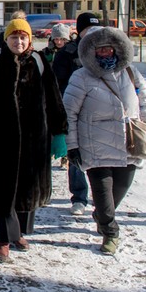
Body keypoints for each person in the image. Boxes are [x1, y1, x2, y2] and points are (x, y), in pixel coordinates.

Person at [0, 18, 68, 263]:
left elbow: (54, 99)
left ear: (30, 39)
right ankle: (2, 242)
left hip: (35, 140)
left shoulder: (40, 62)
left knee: (26, 191)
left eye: (23, 37)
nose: (18, 42)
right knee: (2, 192)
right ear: (7, 38)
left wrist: (59, 134)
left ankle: (18, 232)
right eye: (14, 37)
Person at [62, 26, 146, 255]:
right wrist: (72, 146)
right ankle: (110, 233)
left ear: (117, 49)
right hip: (96, 148)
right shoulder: (81, 77)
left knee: (116, 195)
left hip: (128, 146)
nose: (104, 53)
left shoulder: (131, 73)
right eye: (99, 49)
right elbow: (69, 114)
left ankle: (102, 216)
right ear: (91, 52)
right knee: (103, 198)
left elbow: (145, 103)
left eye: (108, 49)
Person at [52, 12, 101, 215]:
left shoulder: (105, 50)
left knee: (101, 160)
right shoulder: (68, 53)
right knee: (76, 154)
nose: (92, 33)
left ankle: (102, 199)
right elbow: (56, 83)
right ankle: (79, 197)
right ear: (79, 31)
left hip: (100, 113)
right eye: (87, 29)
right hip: (74, 111)